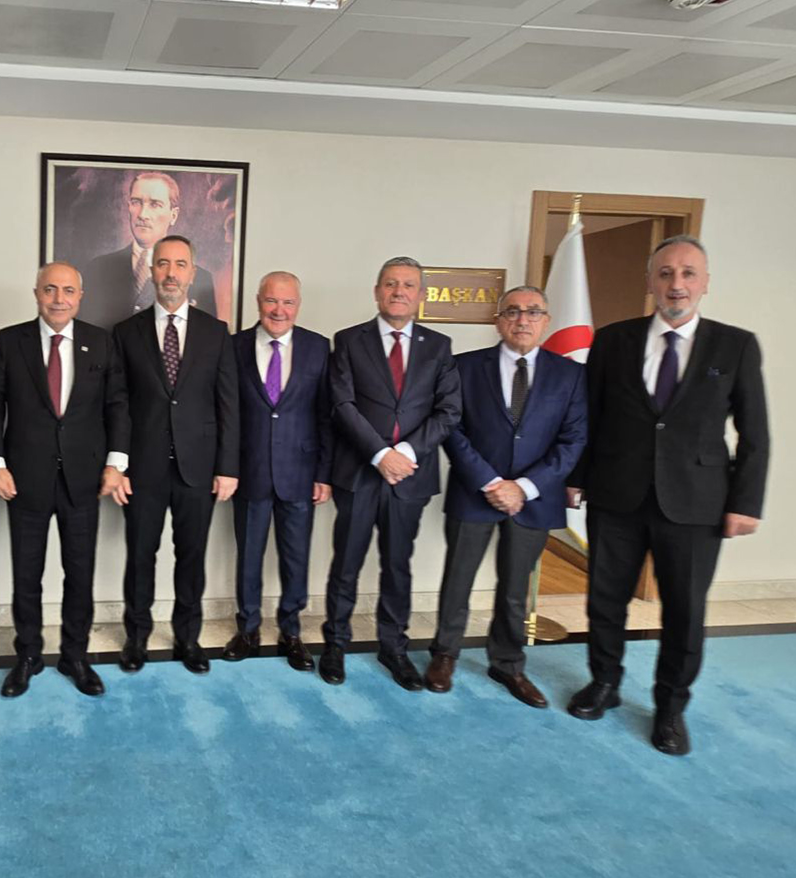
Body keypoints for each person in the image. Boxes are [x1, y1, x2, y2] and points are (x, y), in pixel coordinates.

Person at [566, 235, 768, 756]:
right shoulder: (613, 340)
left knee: (685, 611)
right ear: (651, 282)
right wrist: (576, 477)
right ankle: (604, 682)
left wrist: (745, 502)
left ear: (705, 283)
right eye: (666, 273)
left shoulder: (735, 345)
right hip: (617, 494)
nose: (676, 284)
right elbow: (591, 416)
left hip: (697, 503)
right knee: (605, 600)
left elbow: (755, 433)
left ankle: (670, 707)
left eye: (688, 273)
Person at [426, 285, 587, 706]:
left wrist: (524, 487)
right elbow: (452, 429)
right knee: (457, 579)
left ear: (546, 321)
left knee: (516, 588)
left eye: (533, 312)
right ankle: (444, 654)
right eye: (512, 311)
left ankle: (508, 663)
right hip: (474, 491)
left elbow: (573, 440)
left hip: (535, 498)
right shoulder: (464, 366)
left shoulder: (570, 375)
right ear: (498, 320)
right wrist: (491, 483)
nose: (522, 319)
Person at [0, 262, 130, 697]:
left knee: (79, 574)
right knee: (26, 574)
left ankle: (75, 655)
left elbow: (117, 405)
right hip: (24, 478)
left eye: (67, 290)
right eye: (49, 289)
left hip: (85, 478)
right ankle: (27, 656)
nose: (58, 299)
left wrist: (116, 462)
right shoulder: (11, 341)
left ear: (80, 297)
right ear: (36, 294)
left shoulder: (100, 342)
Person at [319, 256, 461, 688]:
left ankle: (393, 647)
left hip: (410, 476)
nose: (399, 291)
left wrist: (404, 453)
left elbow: (448, 410)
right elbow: (342, 404)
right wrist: (380, 454)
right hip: (360, 473)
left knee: (398, 566)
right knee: (346, 563)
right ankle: (335, 644)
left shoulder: (439, 346)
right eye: (391, 283)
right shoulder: (348, 340)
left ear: (420, 295)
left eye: (408, 285)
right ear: (377, 291)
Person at [111, 234, 239, 674]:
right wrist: (118, 465)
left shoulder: (216, 333)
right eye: (162, 264)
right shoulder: (126, 333)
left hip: (198, 468)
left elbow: (228, 405)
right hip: (142, 468)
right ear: (151, 271)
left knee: (192, 556)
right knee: (139, 556)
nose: (170, 273)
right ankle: (137, 638)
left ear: (192, 272)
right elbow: (118, 405)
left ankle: (188, 638)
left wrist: (227, 467)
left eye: (179, 264)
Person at [222, 271, 331, 671]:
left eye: (287, 302)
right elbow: (225, 412)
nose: (279, 310)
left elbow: (327, 414)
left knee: (296, 556)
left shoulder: (319, 347)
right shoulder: (233, 347)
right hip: (249, 470)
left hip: (301, 472)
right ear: (258, 301)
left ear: (298, 306)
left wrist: (324, 473)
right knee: (248, 555)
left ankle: (291, 632)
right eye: (271, 300)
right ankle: (248, 628)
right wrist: (226, 467)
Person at [80, 172, 217, 329]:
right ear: (129, 207)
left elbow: (207, 337)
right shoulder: (97, 269)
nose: (143, 214)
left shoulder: (201, 279)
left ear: (173, 215)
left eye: (155, 204)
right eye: (136, 202)